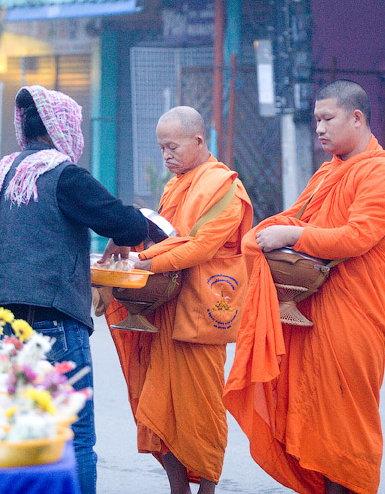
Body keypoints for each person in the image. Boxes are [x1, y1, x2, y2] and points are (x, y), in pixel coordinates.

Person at [224, 80, 385, 494]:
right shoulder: (330, 171)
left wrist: (291, 236)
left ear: (357, 117)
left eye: (328, 119)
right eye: (316, 121)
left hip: (354, 313)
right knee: (314, 421)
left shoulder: (384, 172)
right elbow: (299, 217)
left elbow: (356, 237)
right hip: (311, 307)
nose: (320, 129)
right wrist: (270, 232)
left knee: (345, 427)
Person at [0, 85, 147, 494]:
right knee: (74, 434)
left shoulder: (3, 172)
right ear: (61, 127)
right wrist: (132, 227)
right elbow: (128, 225)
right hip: (49, 319)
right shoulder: (63, 175)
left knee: (12, 431)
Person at [101, 106, 253, 494]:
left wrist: (141, 261)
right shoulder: (175, 185)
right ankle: (178, 488)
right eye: (161, 148)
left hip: (201, 309)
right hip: (164, 305)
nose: (165, 155)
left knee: (201, 412)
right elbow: (164, 236)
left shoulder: (224, 186)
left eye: (172, 146)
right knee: (155, 410)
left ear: (199, 142)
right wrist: (130, 250)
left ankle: (206, 490)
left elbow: (200, 247)